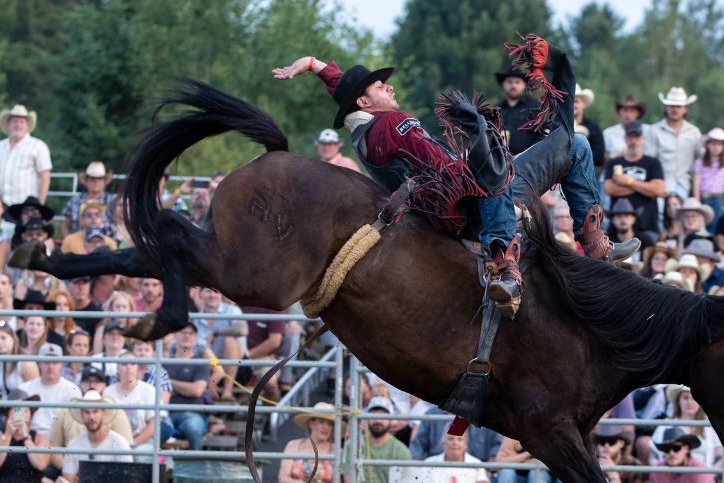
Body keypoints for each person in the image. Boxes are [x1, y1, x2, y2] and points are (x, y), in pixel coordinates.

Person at [272, 48, 638, 315]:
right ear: (366, 101)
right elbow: (444, 167)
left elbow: (347, 89)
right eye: (383, 87)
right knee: (574, 145)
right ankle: (553, 253)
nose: (391, 90)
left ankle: (565, 250)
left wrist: (313, 65)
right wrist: (483, 151)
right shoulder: (396, 124)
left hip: (440, 209)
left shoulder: (363, 132)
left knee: (502, 159)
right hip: (470, 206)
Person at [602, 121, 666, 240]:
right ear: (625, 139)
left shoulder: (652, 163)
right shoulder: (614, 162)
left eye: (637, 137)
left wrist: (627, 182)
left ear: (643, 139)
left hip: (647, 224)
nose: (633, 141)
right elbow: (609, 189)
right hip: (618, 229)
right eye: (630, 137)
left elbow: (658, 190)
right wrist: (645, 188)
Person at [643, 87, 702, 197]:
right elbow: (648, 159)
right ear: (666, 108)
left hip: (685, 185)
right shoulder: (654, 130)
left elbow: (701, 159)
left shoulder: (693, 132)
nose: (675, 109)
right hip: (660, 184)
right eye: (671, 106)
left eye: (678, 106)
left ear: (685, 109)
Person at [0, 104, 52, 205]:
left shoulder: (38, 146)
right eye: (14, 121)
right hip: (1, 204)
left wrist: (39, 205)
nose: (18, 125)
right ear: (9, 124)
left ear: (27, 125)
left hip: (25, 205)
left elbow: (45, 179)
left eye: (22, 122)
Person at [19, 344, 83, 437]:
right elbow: (17, 420)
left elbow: (76, 423)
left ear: (61, 364)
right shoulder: (24, 389)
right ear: (39, 363)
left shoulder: (72, 390)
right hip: (30, 437)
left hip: (60, 438)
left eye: (55, 362)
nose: (50, 366)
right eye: (46, 362)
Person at [165, 321, 210, 451]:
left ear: (196, 338)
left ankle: (194, 469)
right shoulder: (164, 362)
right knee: (153, 428)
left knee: (194, 429)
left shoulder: (201, 363)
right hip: (165, 413)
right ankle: (161, 468)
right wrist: (186, 388)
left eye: (191, 333)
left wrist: (170, 383)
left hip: (191, 413)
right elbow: (158, 390)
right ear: (175, 336)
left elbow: (197, 391)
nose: (187, 336)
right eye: (183, 332)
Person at [410, 405, 501, 462]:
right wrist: (417, 467)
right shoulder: (433, 412)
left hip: (477, 466)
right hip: (437, 465)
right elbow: (417, 445)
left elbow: (497, 445)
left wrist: (489, 469)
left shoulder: (486, 415)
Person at [494, 68, 544, 156]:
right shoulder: (496, 110)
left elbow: (541, 135)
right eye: (509, 82)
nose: (513, 86)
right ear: (503, 84)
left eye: (517, 82)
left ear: (524, 84)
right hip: (500, 161)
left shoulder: (535, 107)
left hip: (529, 160)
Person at [62, 161, 118, 236]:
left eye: (99, 179)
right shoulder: (75, 200)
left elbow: (118, 224)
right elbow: (66, 225)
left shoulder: (113, 201)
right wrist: (68, 243)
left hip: (105, 243)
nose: (96, 181)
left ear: (104, 182)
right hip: (77, 242)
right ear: (86, 181)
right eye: (92, 178)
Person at [602, 94, 646, 160]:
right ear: (620, 111)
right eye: (625, 110)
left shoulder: (647, 130)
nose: (628, 114)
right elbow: (600, 161)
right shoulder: (608, 133)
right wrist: (617, 158)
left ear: (638, 112)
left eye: (632, 110)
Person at [572, 84, 604, 167]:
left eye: (576, 101)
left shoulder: (593, 127)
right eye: (570, 101)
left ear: (583, 104)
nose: (573, 105)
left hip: (585, 170)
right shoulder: (557, 125)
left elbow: (599, 155)